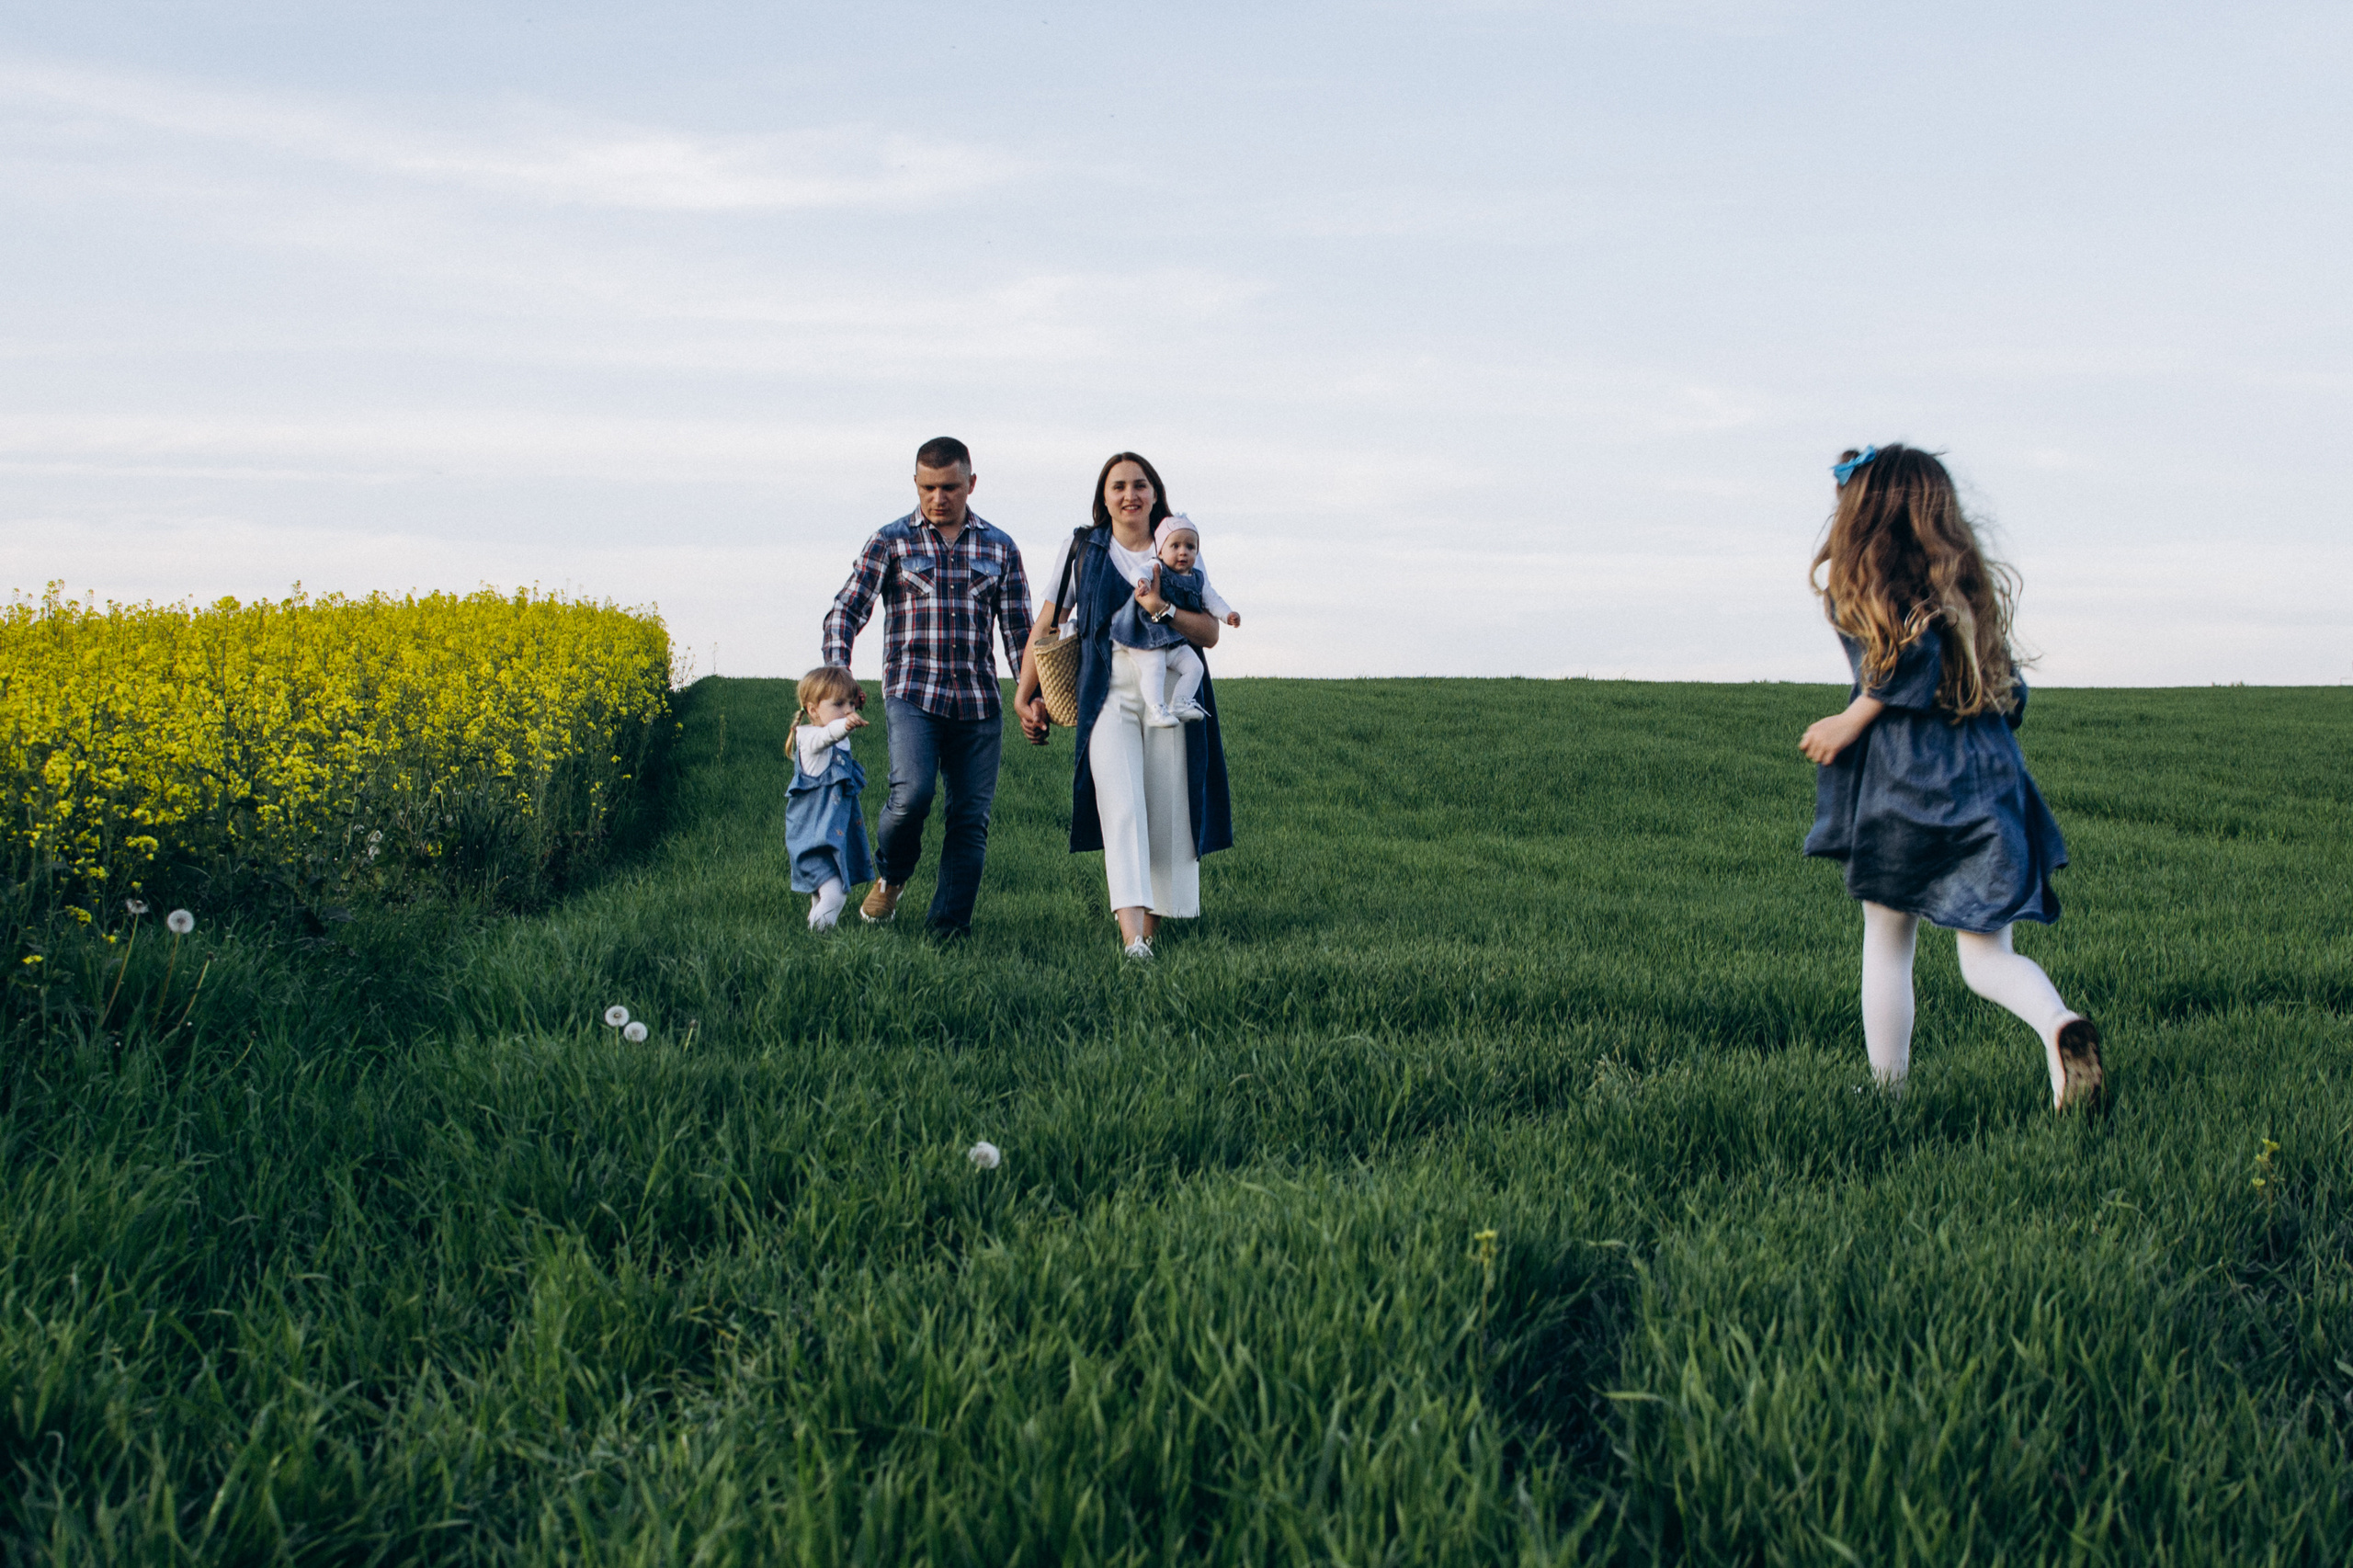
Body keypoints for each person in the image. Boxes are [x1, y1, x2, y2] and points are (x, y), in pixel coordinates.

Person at [1799, 443, 2103, 1110]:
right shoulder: (1969, 599)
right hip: (1990, 781)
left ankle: (1888, 1091)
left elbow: (1904, 662)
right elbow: (2012, 696)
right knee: (1987, 958)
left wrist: (1854, 718)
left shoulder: (1863, 595)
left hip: (1907, 787)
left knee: (1887, 937)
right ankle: (2058, 1027)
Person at [1015, 453, 1233, 960]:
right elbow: (1047, 624)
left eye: (1140, 485)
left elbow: (1210, 634)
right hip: (1106, 692)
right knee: (1123, 807)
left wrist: (1165, 609)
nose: (1130, 494)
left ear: (1155, 494)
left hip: (1171, 693)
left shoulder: (1181, 548)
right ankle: (1132, 937)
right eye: (1119, 486)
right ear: (1105, 496)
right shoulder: (1084, 549)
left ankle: (1151, 932)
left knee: (1166, 805)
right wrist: (1025, 693)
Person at [823, 436, 1033, 940]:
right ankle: (892, 876)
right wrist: (839, 675)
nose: (938, 498)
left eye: (950, 487)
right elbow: (846, 611)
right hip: (912, 694)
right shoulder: (890, 541)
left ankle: (947, 932)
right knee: (911, 796)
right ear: (916, 484)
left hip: (979, 703)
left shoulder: (1000, 547)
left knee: (969, 820)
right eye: (928, 487)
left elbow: (1021, 635)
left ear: (971, 484)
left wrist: (1034, 696)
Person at [1107, 513, 1240, 727]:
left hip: (1173, 638)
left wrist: (1227, 615)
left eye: (1190, 547)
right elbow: (1137, 571)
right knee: (1154, 664)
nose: (1182, 552)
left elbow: (1212, 599)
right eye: (1175, 546)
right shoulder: (1156, 566)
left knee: (1195, 667)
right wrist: (1141, 581)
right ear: (1160, 550)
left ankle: (1180, 702)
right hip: (1145, 633)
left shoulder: (1197, 578)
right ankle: (1155, 709)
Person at [786, 665, 872, 931]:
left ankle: (814, 933)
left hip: (829, 837)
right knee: (835, 894)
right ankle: (817, 939)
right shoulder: (810, 740)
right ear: (812, 710)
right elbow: (828, 735)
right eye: (838, 704)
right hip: (812, 840)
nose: (848, 710)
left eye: (850, 703)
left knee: (822, 895)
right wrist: (845, 723)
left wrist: (850, 709)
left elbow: (838, 735)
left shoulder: (836, 737)